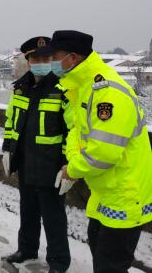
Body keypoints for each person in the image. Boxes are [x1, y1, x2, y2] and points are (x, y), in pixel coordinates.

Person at [50, 30, 152, 273]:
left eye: (55, 56)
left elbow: (103, 153)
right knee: (100, 255)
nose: (52, 62)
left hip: (124, 195)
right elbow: (76, 131)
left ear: (72, 58)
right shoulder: (83, 86)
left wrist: (72, 170)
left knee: (110, 265)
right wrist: (73, 163)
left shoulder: (107, 92)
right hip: (106, 192)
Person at [2, 36, 71, 273]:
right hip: (26, 162)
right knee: (28, 211)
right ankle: (27, 249)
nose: (41, 63)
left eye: (46, 58)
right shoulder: (21, 87)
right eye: (36, 59)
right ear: (28, 61)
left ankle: (58, 262)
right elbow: (11, 120)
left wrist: (68, 164)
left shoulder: (62, 89)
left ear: (52, 60)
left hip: (52, 166)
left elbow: (72, 131)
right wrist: (7, 149)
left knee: (53, 218)